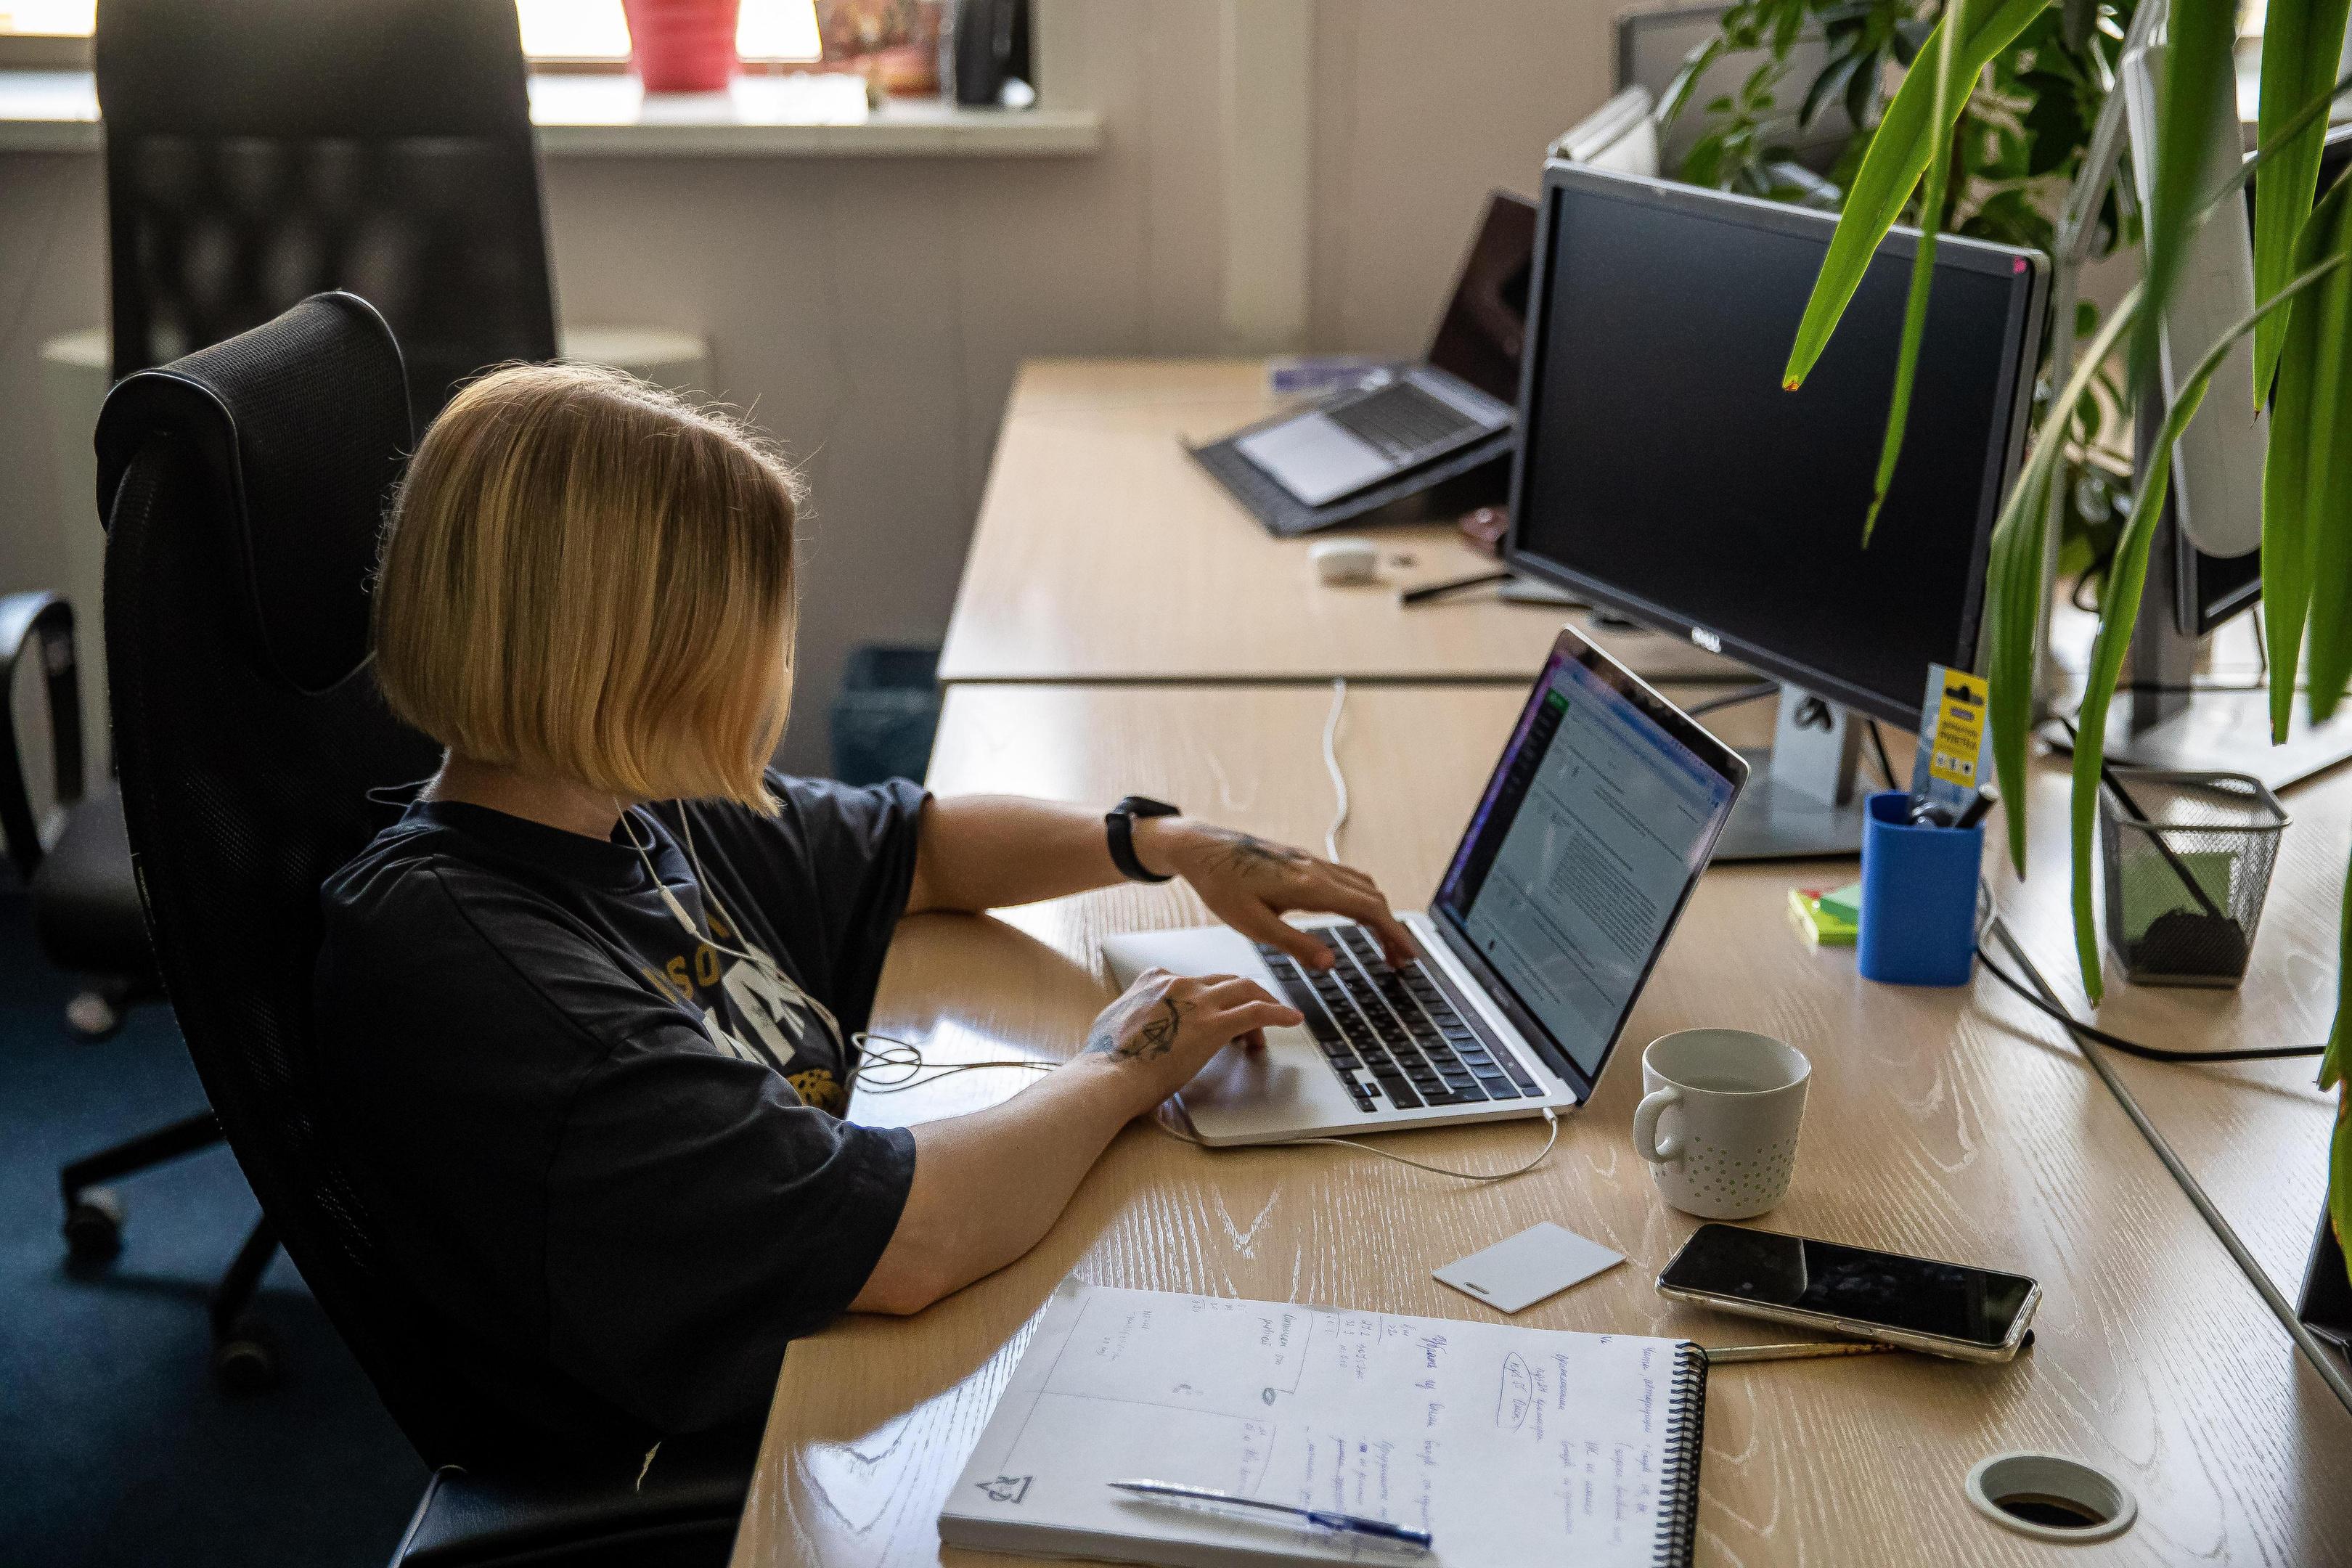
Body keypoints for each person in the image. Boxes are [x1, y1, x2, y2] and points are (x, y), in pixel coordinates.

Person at [314, 363, 1415, 1450]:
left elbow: (915, 847)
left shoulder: (611, 803)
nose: (766, 660)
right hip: (743, 1453)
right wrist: (1123, 1066)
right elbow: (908, 1243)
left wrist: (1163, 843)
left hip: (843, 1333)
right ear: (631, 653)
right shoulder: (480, 967)